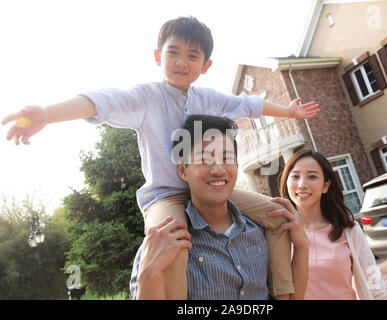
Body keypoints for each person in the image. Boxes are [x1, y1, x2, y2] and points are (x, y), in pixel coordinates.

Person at [1, 16, 319, 299]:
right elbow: (99, 102)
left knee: (279, 214)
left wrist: (288, 111)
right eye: (173, 52)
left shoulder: (207, 98)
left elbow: (247, 104)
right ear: (158, 56)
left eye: (192, 56)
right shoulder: (146, 98)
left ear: (205, 65)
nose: (181, 62)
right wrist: (46, 112)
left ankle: (283, 294)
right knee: (174, 242)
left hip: (210, 185)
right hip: (165, 195)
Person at [130, 114, 309, 300]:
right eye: (204, 159)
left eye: (226, 158)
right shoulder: (163, 245)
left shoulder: (260, 232)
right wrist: (148, 272)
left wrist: (302, 245)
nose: (218, 169)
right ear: (183, 170)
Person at [279, 149, 387, 300]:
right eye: (295, 176)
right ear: (286, 182)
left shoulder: (349, 230)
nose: (302, 184)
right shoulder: (279, 232)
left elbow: (374, 283)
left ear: (326, 185)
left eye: (312, 177)